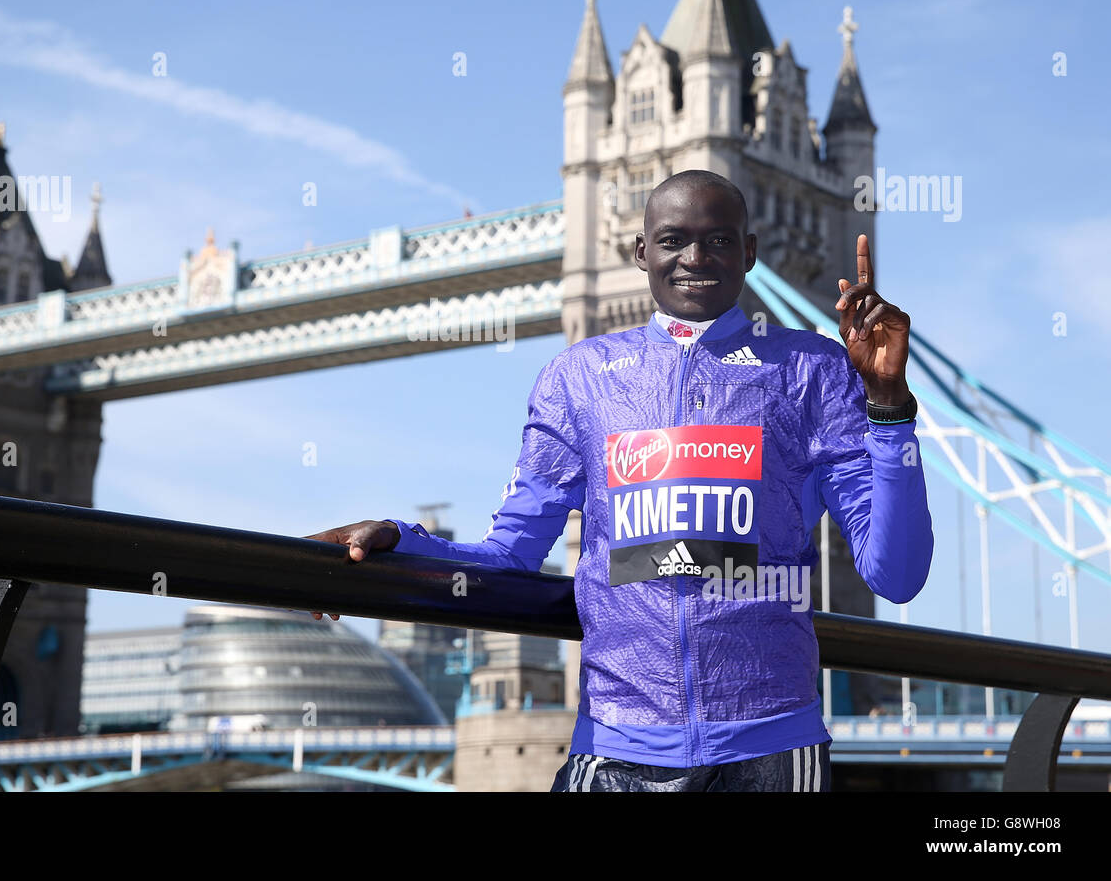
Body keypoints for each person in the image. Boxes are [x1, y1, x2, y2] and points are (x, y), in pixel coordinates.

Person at [308, 169, 934, 792]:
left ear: (749, 252)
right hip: (614, 750)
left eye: (718, 240)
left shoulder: (813, 370)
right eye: (672, 240)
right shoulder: (579, 378)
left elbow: (897, 575)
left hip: (771, 750)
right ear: (641, 253)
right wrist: (398, 540)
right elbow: (507, 559)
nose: (695, 258)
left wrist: (888, 408)